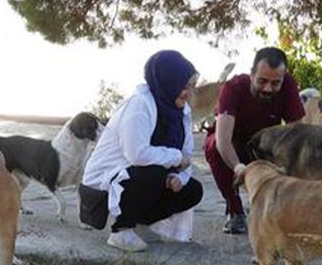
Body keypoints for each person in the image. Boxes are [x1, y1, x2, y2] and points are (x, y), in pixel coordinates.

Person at [80, 50, 204, 252]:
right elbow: (136, 154)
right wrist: (175, 158)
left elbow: (186, 156)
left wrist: (177, 177)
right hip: (103, 185)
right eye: (184, 86)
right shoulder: (139, 105)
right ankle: (121, 230)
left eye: (192, 87)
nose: (189, 92)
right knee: (153, 173)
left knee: (192, 190)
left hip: (139, 174)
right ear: (169, 82)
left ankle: (142, 224)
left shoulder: (181, 112)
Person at [203, 47, 305, 234]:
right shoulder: (233, 88)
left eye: (275, 83)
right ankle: (235, 210)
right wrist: (239, 168)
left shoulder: (289, 86)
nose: (268, 88)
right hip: (235, 143)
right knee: (213, 147)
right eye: (262, 81)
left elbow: (299, 134)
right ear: (251, 75)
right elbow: (222, 140)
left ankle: (278, 211)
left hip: (267, 146)